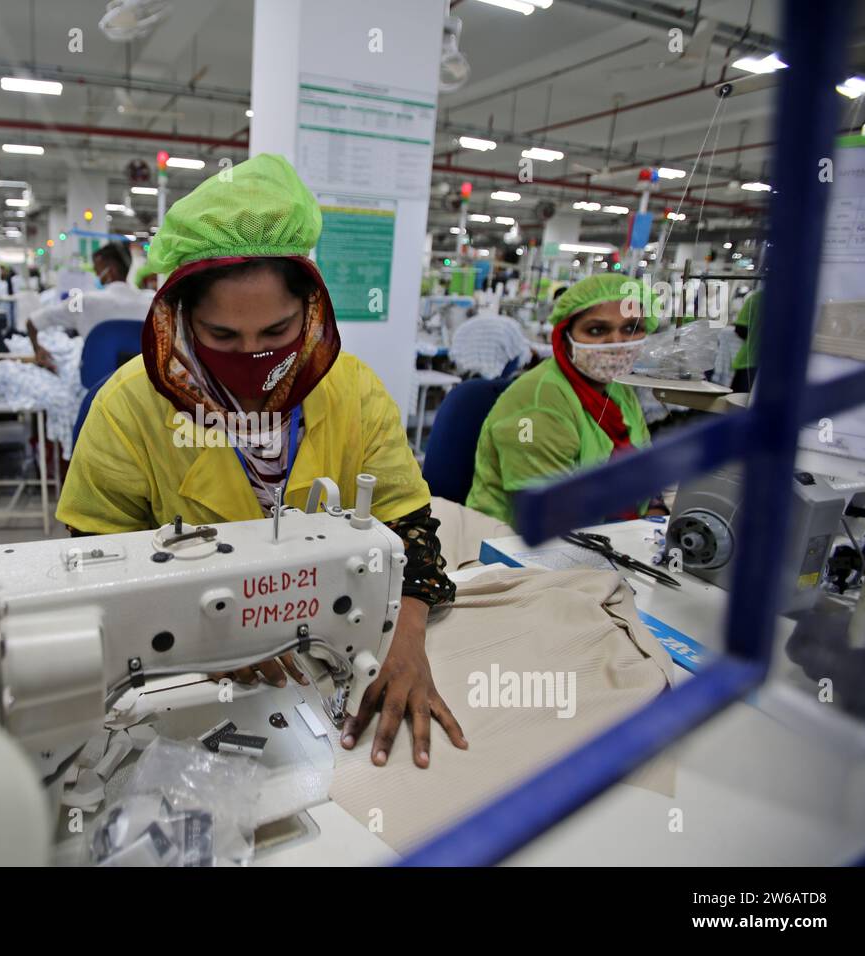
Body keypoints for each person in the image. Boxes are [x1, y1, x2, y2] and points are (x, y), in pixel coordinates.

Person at [58, 154, 466, 769]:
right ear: (181, 317)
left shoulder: (353, 391)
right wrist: (205, 631)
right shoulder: (128, 406)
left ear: (312, 309)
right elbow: (90, 565)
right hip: (186, 678)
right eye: (221, 337)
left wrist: (406, 640)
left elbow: (411, 532)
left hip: (315, 665)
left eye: (275, 332)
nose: (251, 356)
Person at [466, 273, 659, 525]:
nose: (616, 343)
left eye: (631, 329)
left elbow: (646, 471)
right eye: (597, 330)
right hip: (518, 544)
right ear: (565, 337)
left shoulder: (619, 391)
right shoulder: (538, 402)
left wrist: (655, 519)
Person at [26, 241, 155, 370]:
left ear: (111, 271)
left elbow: (32, 321)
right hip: (138, 381)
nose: (96, 275)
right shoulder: (150, 303)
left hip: (96, 382)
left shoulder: (84, 302)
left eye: (97, 270)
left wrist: (37, 349)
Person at [449, 312, 532, 380]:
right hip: (504, 350)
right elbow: (520, 352)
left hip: (469, 364)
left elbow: (455, 352)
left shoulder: (467, 327)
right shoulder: (510, 327)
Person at [730, 288, 761, 394]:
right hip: (779, 367)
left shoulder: (756, 298)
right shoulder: (798, 302)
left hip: (750, 361)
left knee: (737, 403)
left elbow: (740, 329)